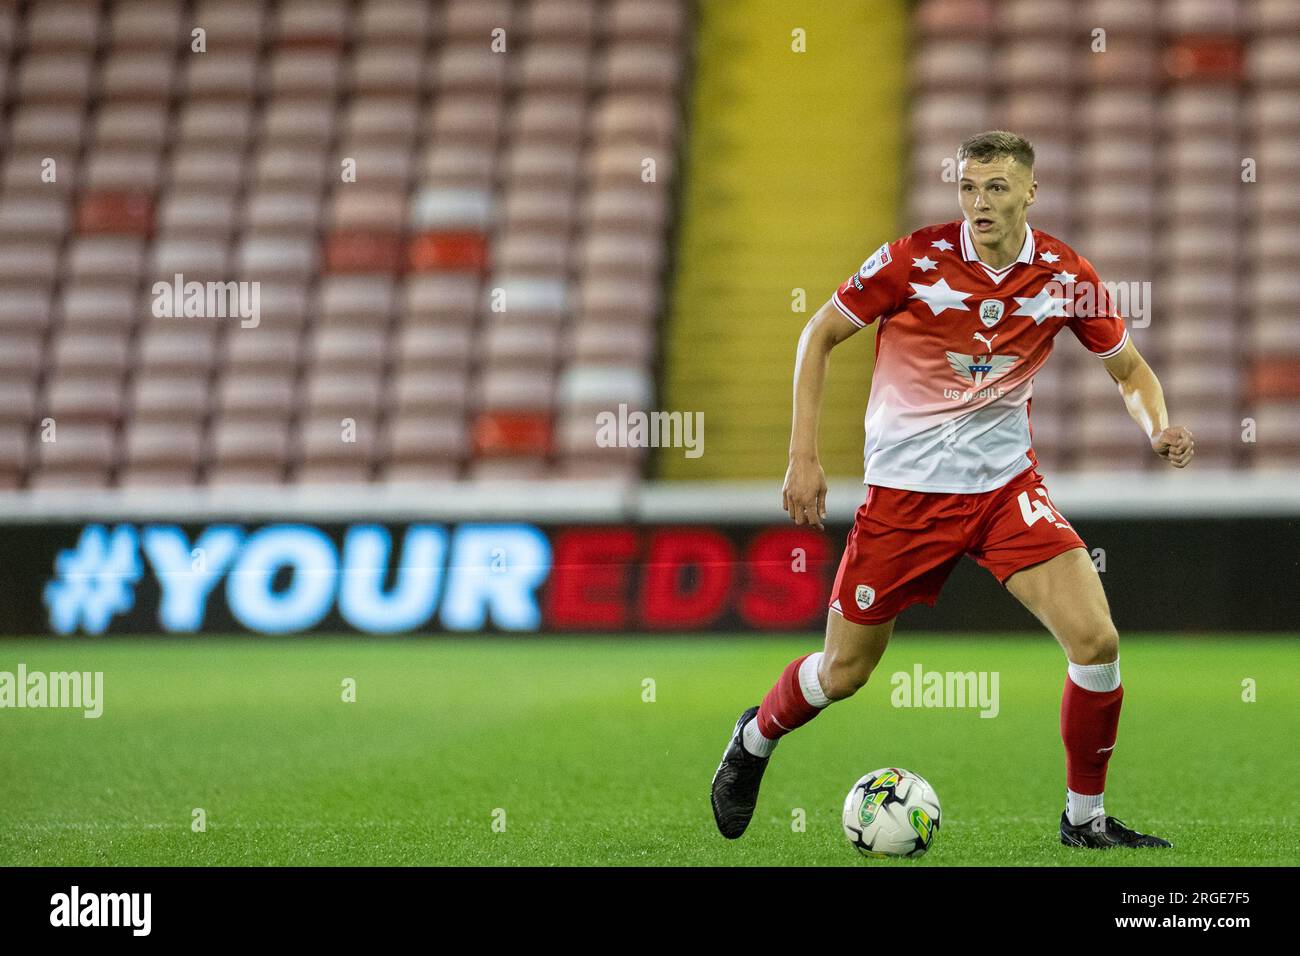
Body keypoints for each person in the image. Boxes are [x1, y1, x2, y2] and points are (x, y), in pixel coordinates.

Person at [710, 130, 1193, 849]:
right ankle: (755, 736)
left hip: (1004, 494)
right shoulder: (912, 259)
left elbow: (1129, 372)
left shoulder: (1067, 276)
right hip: (904, 500)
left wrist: (1158, 425)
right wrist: (802, 456)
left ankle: (1083, 820)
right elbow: (817, 335)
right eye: (968, 187)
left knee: (1095, 643)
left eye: (996, 187)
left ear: (1031, 191)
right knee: (843, 673)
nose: (979, 203)